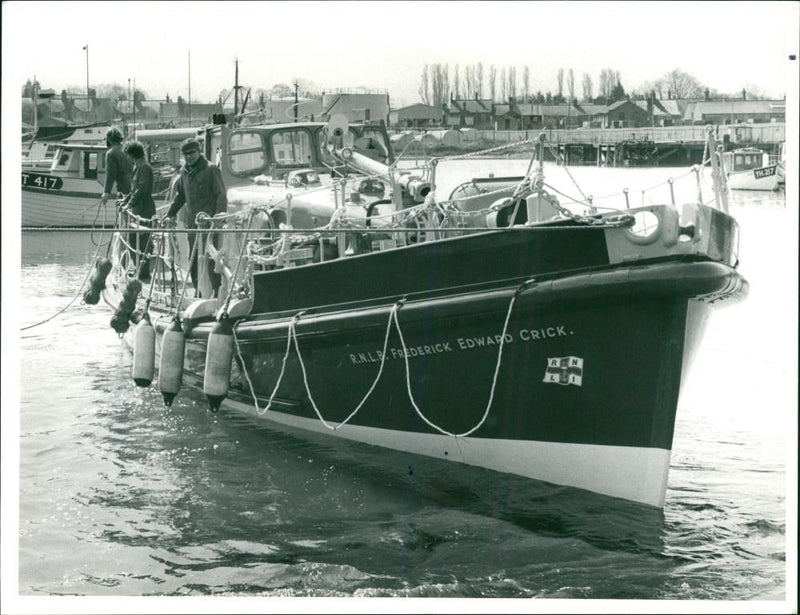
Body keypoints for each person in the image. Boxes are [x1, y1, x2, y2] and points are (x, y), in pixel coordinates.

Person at [165, 138, 227, 295]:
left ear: (199, 152)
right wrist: (170, 214)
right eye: (185, 154)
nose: (189, 157)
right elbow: (180, 196)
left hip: (210, 226)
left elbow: (221, 195)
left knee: (211, 260)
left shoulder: (211, 169)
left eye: (192, 153)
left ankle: (216, 292)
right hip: (193, 226)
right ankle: (199, 292)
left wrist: (219, 218)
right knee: (193, 261)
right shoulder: (185, 173)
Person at [119, 141, 156, 281]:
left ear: (132, 154)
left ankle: (144, 273)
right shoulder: (137, 166)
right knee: (134, 241)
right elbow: (134, 189)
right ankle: (139, 270)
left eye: (127, 154)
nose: (127, 157)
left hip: (144, 209)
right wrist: (126, 200)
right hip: (138, 209)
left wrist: (130, 204)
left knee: (142, 242)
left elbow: (143, 189)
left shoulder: (145, 168)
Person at [100, 127, 131, 205]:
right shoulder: (128, 149)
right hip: (134, 190)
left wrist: (106, 192)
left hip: (124, 191)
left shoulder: (111, 153)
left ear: (109, 139)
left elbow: (110, 174)